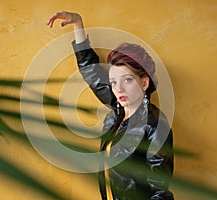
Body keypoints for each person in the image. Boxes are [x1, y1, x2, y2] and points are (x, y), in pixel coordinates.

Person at [47, 11, 174, 200]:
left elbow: (160, 192)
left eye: (128, 80)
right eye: (113, 82)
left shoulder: (155, 125)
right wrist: (78, 25)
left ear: (144, 83)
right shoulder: (117, 112)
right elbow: (91, 72)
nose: (118, 88)